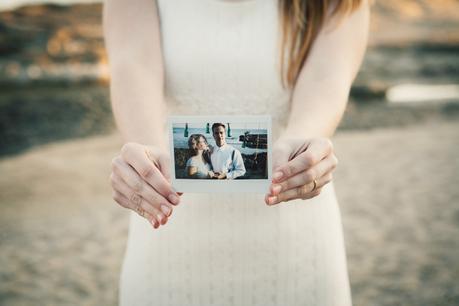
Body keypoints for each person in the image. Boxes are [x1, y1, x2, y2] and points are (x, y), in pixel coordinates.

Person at [105, 0, 369, 305]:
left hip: (297, 242)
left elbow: (328, 76)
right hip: (166, 227)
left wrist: (302, 141)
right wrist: (146, 156)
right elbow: (132, 64)